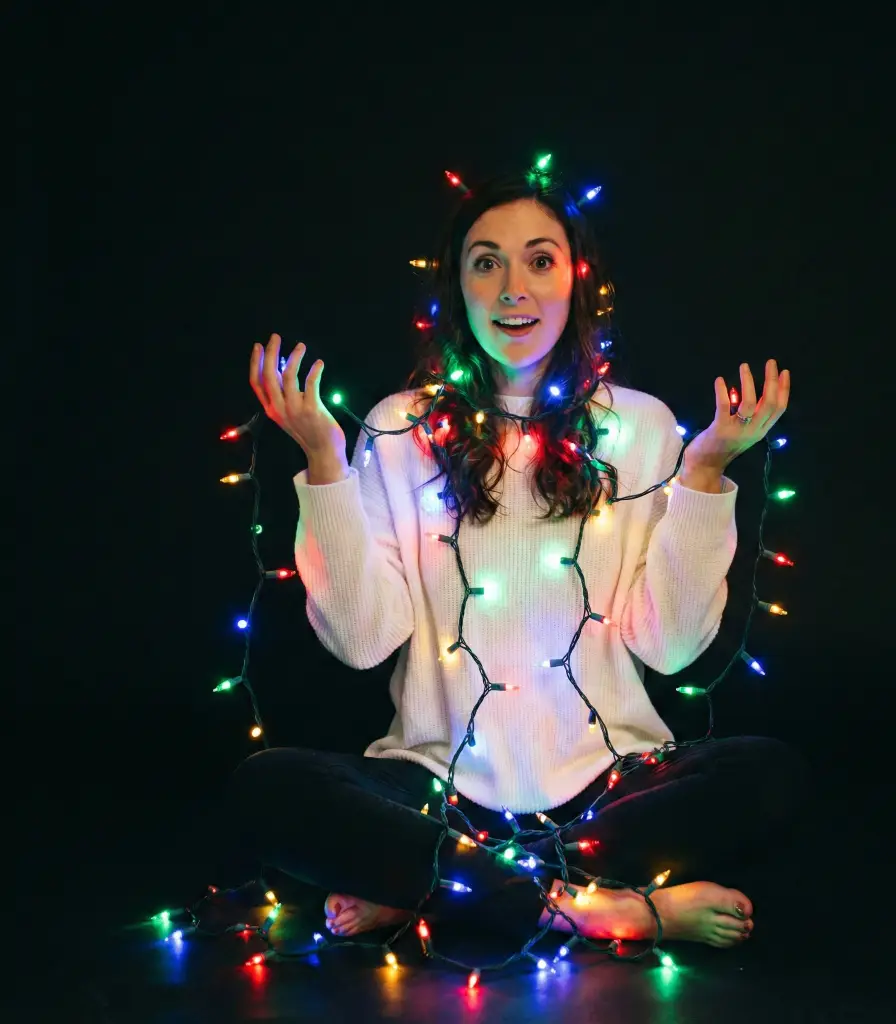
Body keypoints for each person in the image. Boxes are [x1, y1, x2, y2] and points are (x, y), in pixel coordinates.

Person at [229, 170, 808, 951]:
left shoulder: (640, 428)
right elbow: (361, 643)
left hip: (610, 790)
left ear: (577, 281)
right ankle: (613, 909)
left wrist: (704, 476)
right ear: (456, 287)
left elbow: (670, 649)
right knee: (268, 789)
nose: (512, 289)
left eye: (539, 260)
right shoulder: (400, 428)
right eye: (485, 262)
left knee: (766, 774)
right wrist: (325, 461)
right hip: (434, 790)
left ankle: (439, 891)